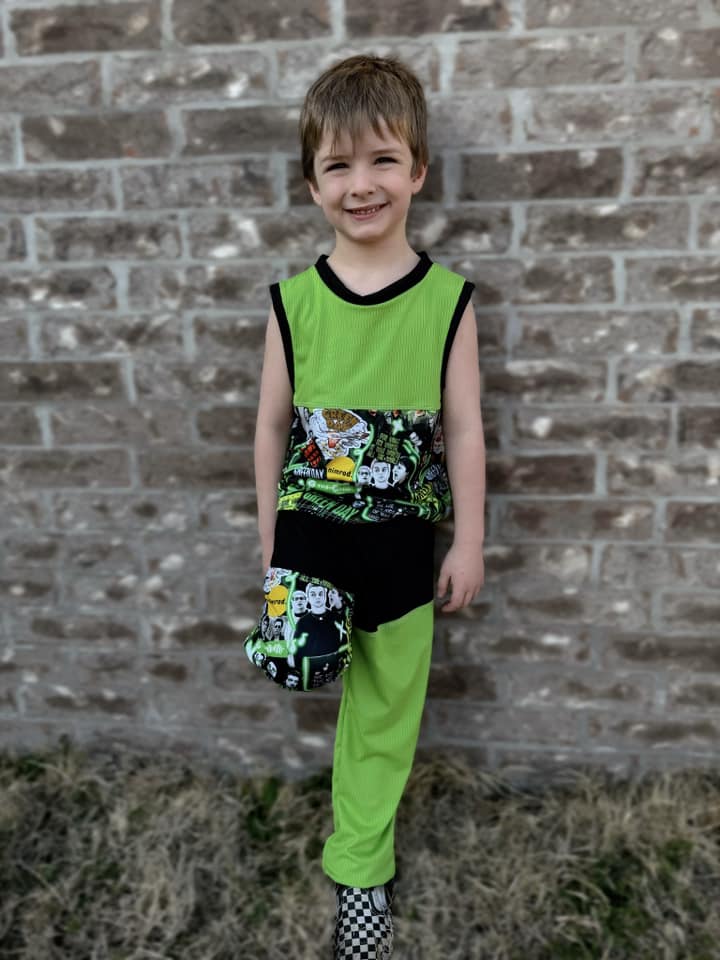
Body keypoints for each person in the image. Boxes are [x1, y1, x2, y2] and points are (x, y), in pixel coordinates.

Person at [247, 53, 485, 959]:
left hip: (401, 550)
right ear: (312, 184)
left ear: (417, 170)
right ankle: (356, 841)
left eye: (383, 159)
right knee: (306, 673)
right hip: (309, 542)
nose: (362, 184)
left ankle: (359, 875)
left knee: (387, 713)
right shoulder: (293, 303)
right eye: (338, 165)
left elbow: (464, 429)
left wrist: (470, 539)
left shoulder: (449, 302)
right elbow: (270, 427)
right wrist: (271, 540)